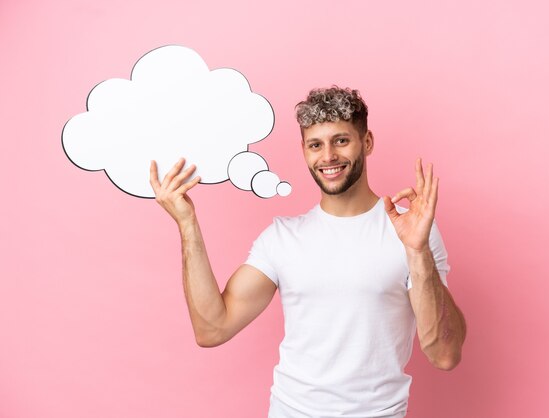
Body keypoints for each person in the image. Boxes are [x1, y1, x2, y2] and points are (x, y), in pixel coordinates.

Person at [149, 86, 467, 418]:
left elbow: (445, 354)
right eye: (316, 145)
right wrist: (187, 224)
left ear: (367, 142)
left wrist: (418, 253)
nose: (328, 156)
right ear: (304, 150)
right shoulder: (282, 238)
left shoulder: (413, 232)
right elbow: (212, 329)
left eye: (341, 140)